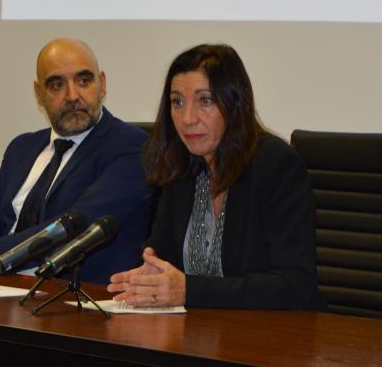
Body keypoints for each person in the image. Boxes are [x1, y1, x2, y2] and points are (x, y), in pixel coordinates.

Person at [0, 38, 151, 284]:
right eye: (56, 85)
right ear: (39, 95)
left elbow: (75, 226)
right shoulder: (23, 148)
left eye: (84, 81)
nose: (72, 96)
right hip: (0, 291)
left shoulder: (132, 146)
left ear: (103, 84)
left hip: (72, 297)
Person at [108, 43, 324, 309]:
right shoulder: (181, 168)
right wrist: (149, 276)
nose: (187, 118)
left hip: (273, 337)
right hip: (199, 336)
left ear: (234, 103)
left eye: (205, 100)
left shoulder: (275, 165)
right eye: (177, 102)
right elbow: (161, 254)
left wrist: (188, 290)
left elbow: (295, 286)